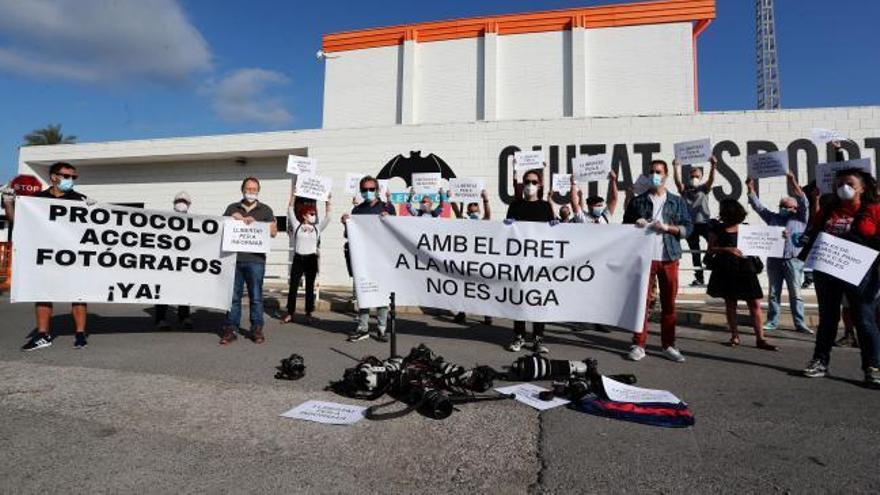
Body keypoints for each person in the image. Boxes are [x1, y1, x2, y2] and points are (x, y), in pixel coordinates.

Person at [801, 168, 880, 388]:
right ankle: (820, 361)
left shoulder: (874, 210)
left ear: (862, 188)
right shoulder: (829, 210)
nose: (843, 188)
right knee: (828, 318)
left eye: (850, 184)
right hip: (827, 271)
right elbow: (814, 228)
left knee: (864, 319)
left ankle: (873, 367)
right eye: (839, 184)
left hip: (860, 273)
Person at [623, 159, 693, 363]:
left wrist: (669, 228)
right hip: (645, 259)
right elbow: (625, 228)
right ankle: (638, 343)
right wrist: (636, 225)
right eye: (652, 172)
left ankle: (669, 345)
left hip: (669, 256)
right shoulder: (638, 201)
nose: (655, 175)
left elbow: (688, 228)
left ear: (666, 175)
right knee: (641, 304)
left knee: (669, 303)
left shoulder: (676, 201)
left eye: (659, 172)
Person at [18, 162, 91, 350]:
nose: (71, 180)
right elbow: (17, 222)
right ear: (53, 177)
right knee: (43, 293)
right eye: (67, 176)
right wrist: (10, 203)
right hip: (45, 254)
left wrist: (94, 209)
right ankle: (43, 335)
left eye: (74, 177)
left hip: (73, 255)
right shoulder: (36, 199)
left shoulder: (79, 199)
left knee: (78, 294)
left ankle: (80, 334)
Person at [705, 199, 778, 350]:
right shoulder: (717, 229)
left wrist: (781, 236)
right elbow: (711, 249)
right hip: (727, 269)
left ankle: (760, 338)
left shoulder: (746, 229)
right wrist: (727, 249)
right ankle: (735, 336)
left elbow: (768, 241)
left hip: (746, 269)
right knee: (731, 304)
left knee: (754, 304)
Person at [746, 173, 813, 334]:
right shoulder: (773, 218)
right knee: (774, 293)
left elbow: (804, 200)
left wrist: (792, 181)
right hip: (774, 260)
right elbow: (758, 207)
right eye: (782, 205)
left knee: (795, 293)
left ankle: (800, 322)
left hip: (793, 260)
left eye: (788, 206)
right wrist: (750, 188)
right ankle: (772, 321)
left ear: (795, 208)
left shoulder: (801, 218)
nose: (784, 208)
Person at [220, 177, 277, 345]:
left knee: (256, 297)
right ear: (242, 190)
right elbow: (221, 229)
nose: (251, 191)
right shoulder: (232, 208)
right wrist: (231, 218)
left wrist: (257, 223)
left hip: (256, 260)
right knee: (233, 297)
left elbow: (274, 232)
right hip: (234, 260)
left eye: (254, 189)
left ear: (258, 191)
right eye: (248, 188)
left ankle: (257, 328)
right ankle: (231, 328)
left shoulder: (265, 210)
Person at [505, 169, 556, 353]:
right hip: (520, 262)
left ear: (540, 185)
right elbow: (507, 232)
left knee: (538, 300)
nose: (530, 185)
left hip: (540, 263)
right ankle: (519, 336)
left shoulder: (545, 206)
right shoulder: (515, 206)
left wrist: (556, 227)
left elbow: (554, 233)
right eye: (527, 181)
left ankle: (538, 338)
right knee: (519, 299)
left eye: (534, 182)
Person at [342, 175, 396, 342]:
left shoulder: (387, 207)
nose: (368, 192)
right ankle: (363, 327)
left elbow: (397, 231)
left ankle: (381, 328)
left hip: (382, 257)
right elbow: (349, 235)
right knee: (363, 293)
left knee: (381, 295)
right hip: (363, 259)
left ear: (377, 190)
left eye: (371, 189)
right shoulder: (357, 210)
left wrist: (391, 219)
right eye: (364, 189)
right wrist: (346, 223)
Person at [282, 183, 331, 325]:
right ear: (304, 215)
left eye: (314, 214)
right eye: (311, 214)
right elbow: (290, 209)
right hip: (298, 258)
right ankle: (290, 312)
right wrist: (293, 195)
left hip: (311, 259)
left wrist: (328, 201)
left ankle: (309, 313)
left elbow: (328, 217)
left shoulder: (317, 228)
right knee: (293, 287)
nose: (314, 216)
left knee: (310, 287)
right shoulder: (297, 226)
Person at [673, 156, 717, 287]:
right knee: (695, 252)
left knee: (715, 243)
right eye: (692, 175)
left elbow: (711, 180)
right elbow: (677, 182)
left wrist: (713, 166)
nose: (694, 178)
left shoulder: (704, 188)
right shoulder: (685, 189)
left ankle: (710, 261)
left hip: (704, 222)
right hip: (690, 225)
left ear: (701, 177)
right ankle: (699, 278)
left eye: (697, 176)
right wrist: (675, 167)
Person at [451, 189, 493, 325]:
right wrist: (451, 199)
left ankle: (487, 315)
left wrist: (485, 200)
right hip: (467, 261)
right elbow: (457, 212)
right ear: (468, 213)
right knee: (465, 288)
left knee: (482, 289)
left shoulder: (483, 223)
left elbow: (488, 214)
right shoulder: (465, 222)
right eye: (472, 211)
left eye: (476, 210)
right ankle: (462, 313)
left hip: (481, 262)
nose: (474, 213)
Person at [155, 191, 194, 330]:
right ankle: (160, 319)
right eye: (179, 200)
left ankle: (184, 317)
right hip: (167, 262)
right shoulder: (165, 220)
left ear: (189, 204)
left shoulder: (195, 222)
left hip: (184, 263)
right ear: (173, 203)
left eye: (184, 200)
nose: (181, 202)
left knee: (184, 289)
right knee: (163, 291)